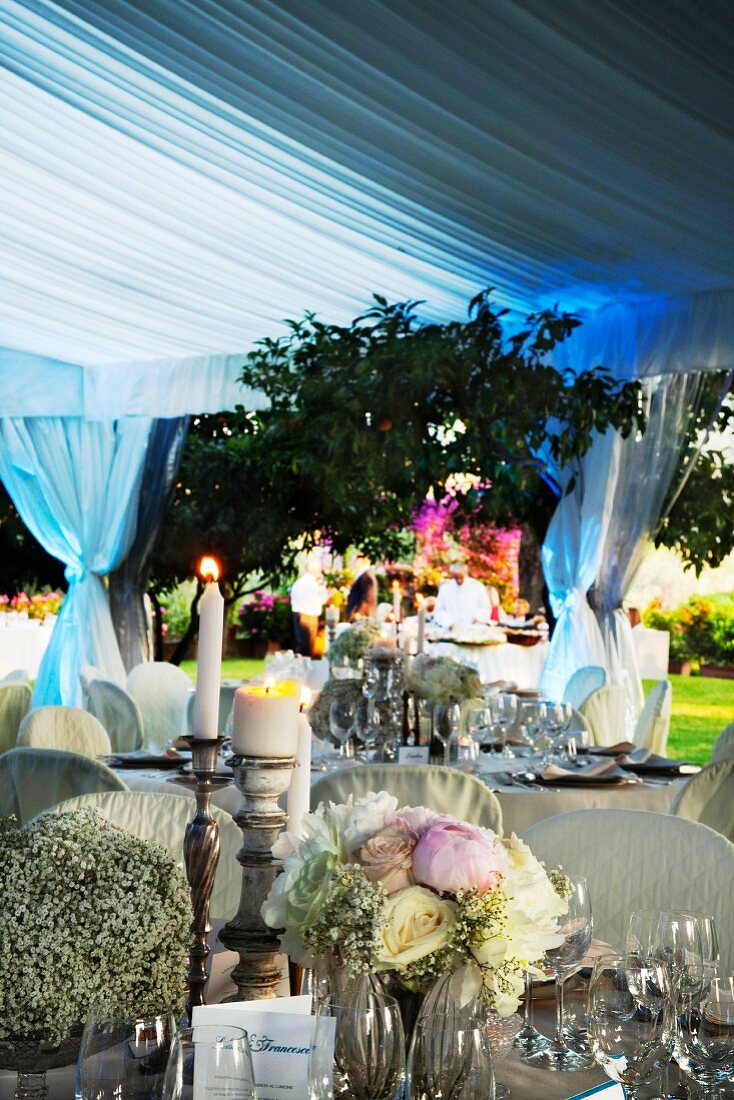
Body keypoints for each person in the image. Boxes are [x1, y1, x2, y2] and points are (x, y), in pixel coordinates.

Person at [432, 562, 491, 631]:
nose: (459, 581)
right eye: (456, 578)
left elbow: (485, 607)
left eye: (461, 577)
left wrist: (478, 617)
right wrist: (448, 622)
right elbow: (438, 610)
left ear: (466, 573)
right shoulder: (445, 588)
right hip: (451, 630)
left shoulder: (477, 586)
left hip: (473, 630)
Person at [290, 550, 327, 657]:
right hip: (308, 616)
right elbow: (321, 599)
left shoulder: (300, 582)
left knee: (301, 644)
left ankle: (300, 666)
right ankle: (303, 668)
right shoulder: (313, 583)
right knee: (306, 645)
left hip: (299, 613)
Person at [345, 554, 378, 621]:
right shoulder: (364, 575)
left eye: (357, 560)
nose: (355, 563)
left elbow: (368, 598)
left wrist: (357, 614)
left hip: (361, 617)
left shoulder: (366, 576)